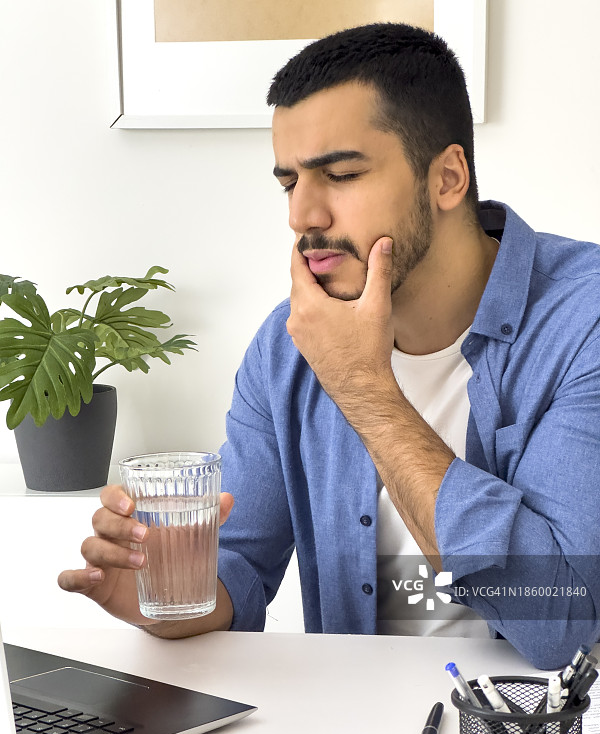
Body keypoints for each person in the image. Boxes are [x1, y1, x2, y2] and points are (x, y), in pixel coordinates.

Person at [58, 23, 600, 669]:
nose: (302, 215)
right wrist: (165, 601)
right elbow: (241, 566)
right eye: (290, 182)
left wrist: (363, 388)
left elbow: (561, 625)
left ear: (448, 177)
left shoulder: (582, 321)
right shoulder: (288, 344)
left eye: (340, 174)